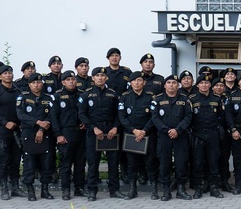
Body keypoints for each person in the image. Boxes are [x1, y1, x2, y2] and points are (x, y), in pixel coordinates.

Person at [79, 66, 122, 201]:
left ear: (106, 78)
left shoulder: (112, 94)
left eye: (103, 76)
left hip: (110, 131)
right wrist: (93, 128)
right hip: (94, 132)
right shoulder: (86, 94)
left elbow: (118, 113)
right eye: (97, 76)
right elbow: (81, 114)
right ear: (93, 78)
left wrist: (115, 127)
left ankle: (114, 190)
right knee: (93, 163)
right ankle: (92, 191)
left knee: (113, 162)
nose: (100, 78)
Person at [0, 64, 24, 200]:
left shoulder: (18, 91)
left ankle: (15, 187)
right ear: (0, 76)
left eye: (10, 73)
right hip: (2, 130)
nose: (8, 75)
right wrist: (4, 122)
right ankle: (4, 188)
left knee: (16, 159)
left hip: (17, 130)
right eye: (5, 73)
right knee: (3, 160)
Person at [118, 71, 157, 200]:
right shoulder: (124, 97)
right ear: (130, 83)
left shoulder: (151, 97)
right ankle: (132, 190)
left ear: (144, 82)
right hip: (131, 135)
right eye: (134, 80)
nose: (137, 83)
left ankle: (154, 190)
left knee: (150, 162)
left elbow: (154, 117)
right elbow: (122, 117)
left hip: (148, 134)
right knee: (132, 164)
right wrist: (134, 130)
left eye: (139, 80)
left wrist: (144, 131)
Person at [152, 75, 192, 201]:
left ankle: (181, 189)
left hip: (180, 136)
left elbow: (188, 117)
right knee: (164, 163)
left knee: (181, 163)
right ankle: (166, 190)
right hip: (164, 136)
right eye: (168, 82)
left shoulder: (185, 100)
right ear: (164, 85)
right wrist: (167, 130)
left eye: (174, 83)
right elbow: (155, 118)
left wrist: (177, 130)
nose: (171, 85)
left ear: (178, 85)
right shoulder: (157, 100)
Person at [17, 73, 55, 201]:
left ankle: (45, 190)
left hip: (46, 133)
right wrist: (38, 123)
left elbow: (51, 116)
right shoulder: (23, 97)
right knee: (30, 163)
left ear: (42, 84)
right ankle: (30, 190)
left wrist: (42, 129)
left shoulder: (49, 98)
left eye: (39, 82)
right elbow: (20, 115)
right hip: (29, 134)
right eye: (33, 83)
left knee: (46, 162)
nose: (36, 85)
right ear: (29, 85)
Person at [188, 72, 225, 198]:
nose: (204, 85)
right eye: (201, 83)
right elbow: (189, 118)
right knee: (198, 163)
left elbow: (222, 117)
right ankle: (198, 189)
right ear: (197, 85)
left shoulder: (216, 99)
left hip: (212, 133)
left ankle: (214, 188)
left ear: (210, 85)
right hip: (197, 134)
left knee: (213, 162)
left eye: (207, 83)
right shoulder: (192, 99)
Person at [50, 70, 86, 200]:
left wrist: (85, 123)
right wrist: (58, 134)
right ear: (63, 82)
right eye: (68, 80)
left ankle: (79, 188)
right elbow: (54, 117)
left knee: (80, 162)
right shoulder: (57, 96)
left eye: (73, 79)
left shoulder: (82, 95)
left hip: (81, 132)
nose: (71, 82)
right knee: (66, 163)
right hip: (65, 132)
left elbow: (85, 112)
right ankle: (65, 190)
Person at [211, 79, 233, 191]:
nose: (219, 87)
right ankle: (212, 183)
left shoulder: (228, 99)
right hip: (212, 132)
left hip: (225, 133)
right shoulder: (209, 98)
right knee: (212, 158)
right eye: (216, 85)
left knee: (224, 158)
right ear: (212, 87)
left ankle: (225, 182)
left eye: (221, 85)